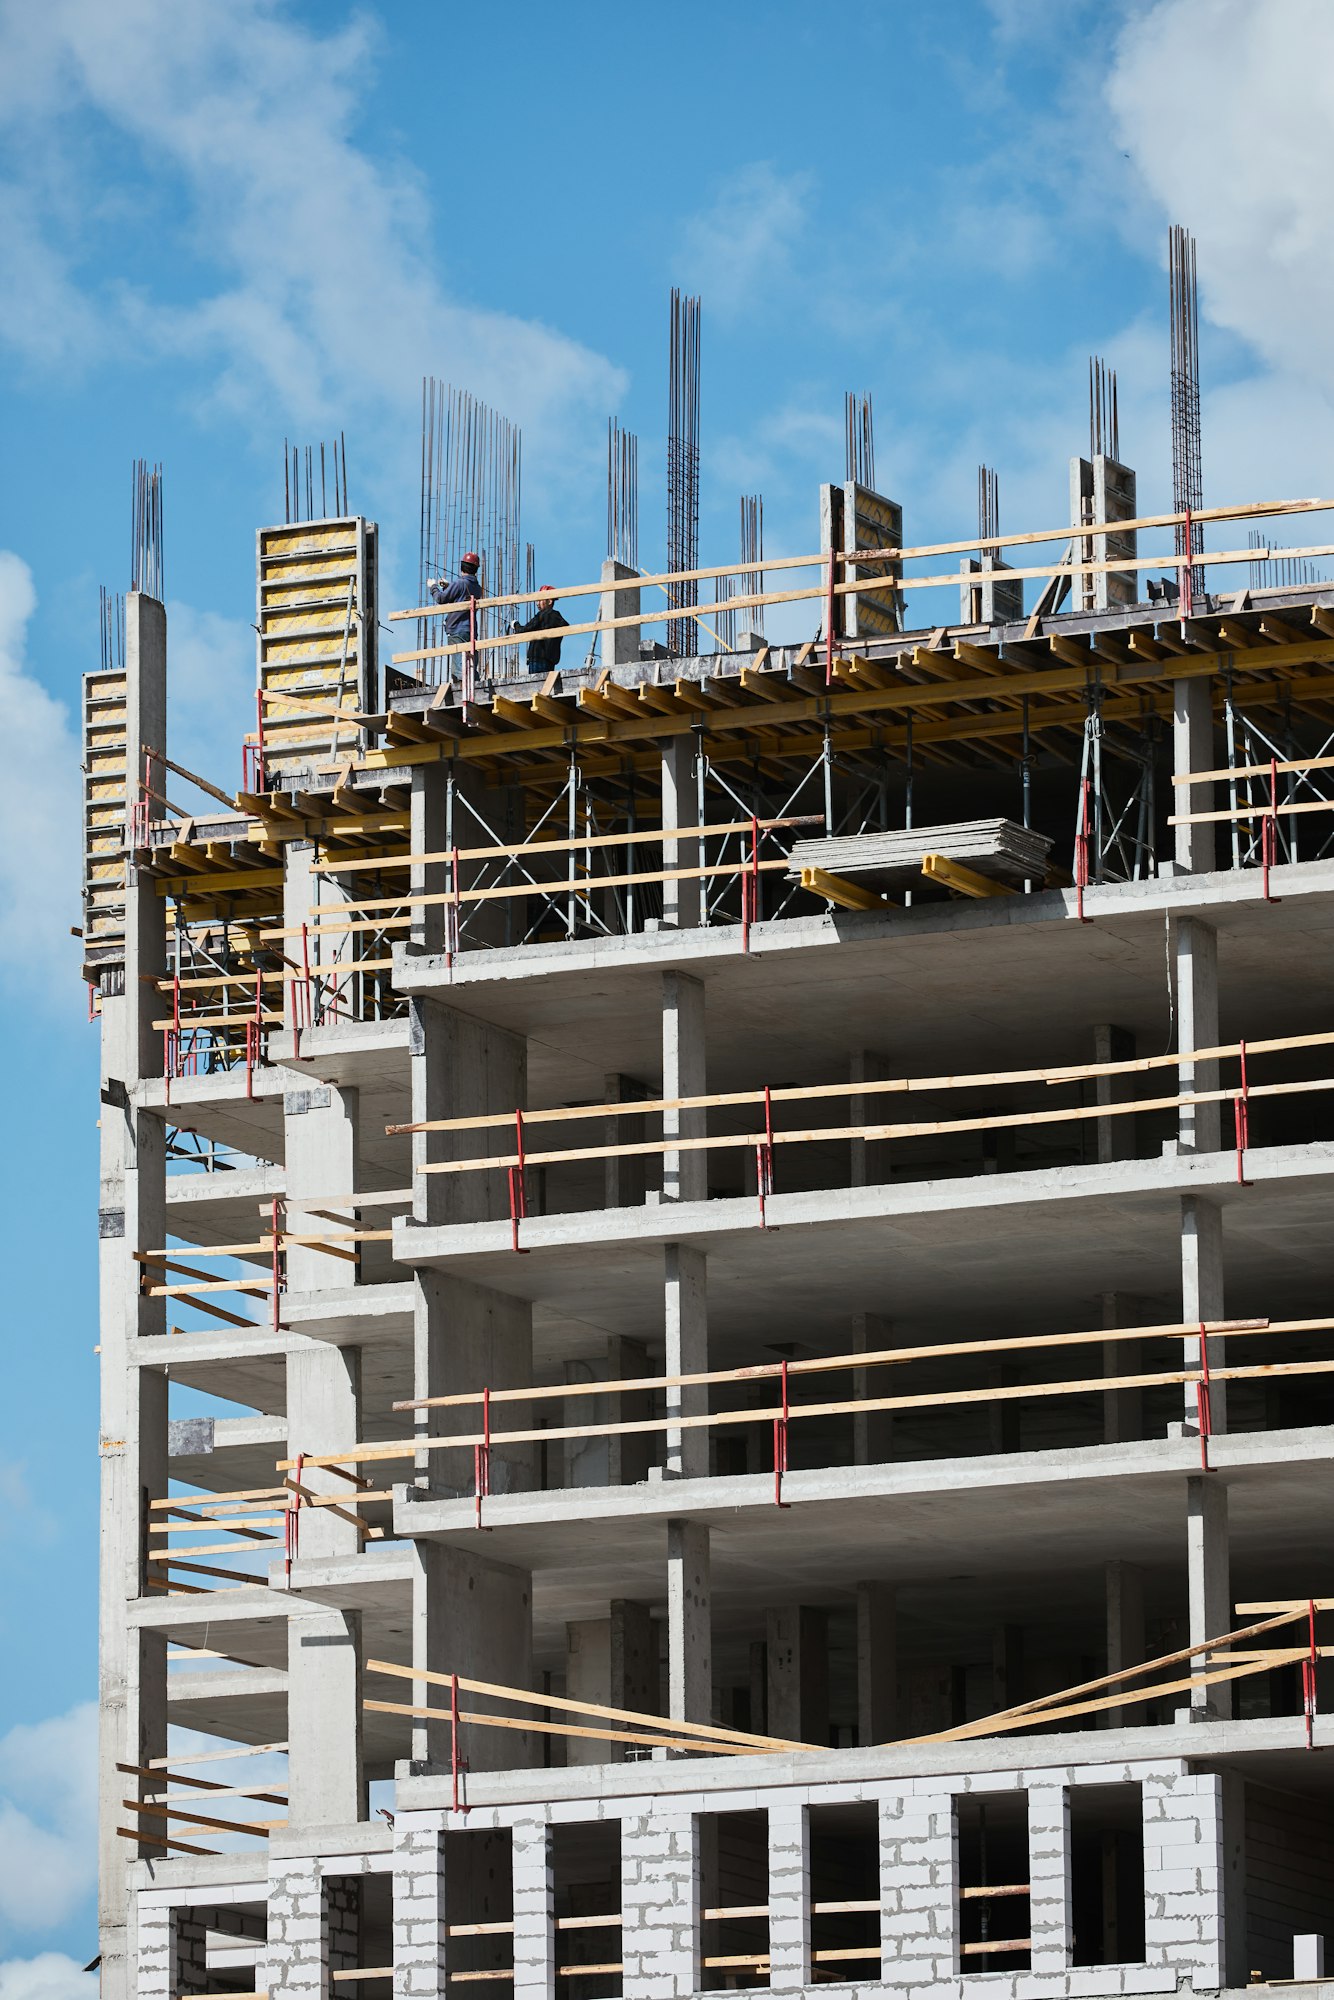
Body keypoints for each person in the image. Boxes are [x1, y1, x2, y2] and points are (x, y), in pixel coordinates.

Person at [427, 551, 483, 646]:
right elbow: (462, 595)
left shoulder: (459, 584)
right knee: (469, 659)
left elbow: (440, 598)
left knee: (459, 660)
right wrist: (448, 586)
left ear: (462, 567)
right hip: (471, 631)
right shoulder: (478, 588)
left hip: (457, 630)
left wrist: (433, 586)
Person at [510, 585, 569, 671]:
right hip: (550, 661)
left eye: (540, 600)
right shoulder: (558, 619)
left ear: (549, 601)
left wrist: (515, 624)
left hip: (537, 658)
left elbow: (524, 630)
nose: (537, 603)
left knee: (536, 683)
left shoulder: (542, 615)